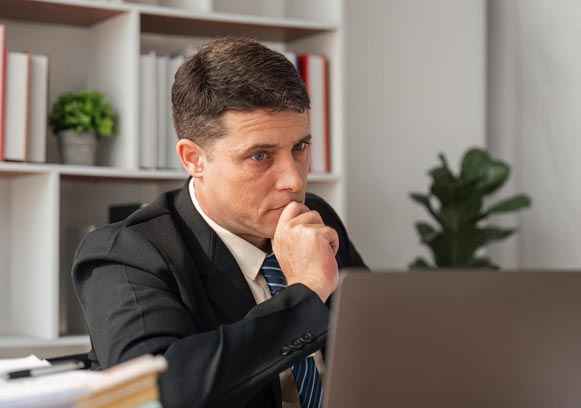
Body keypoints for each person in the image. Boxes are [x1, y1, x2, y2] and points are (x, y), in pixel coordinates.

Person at [72, 37, 367, 408]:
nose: (293, 180)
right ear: (193, 159)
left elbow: (379, 344)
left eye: (300, 147)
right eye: (260, 156)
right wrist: (305, 294)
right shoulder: (125, 254)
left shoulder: (316, 220)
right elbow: (159, 394)